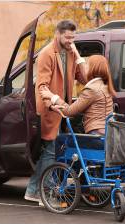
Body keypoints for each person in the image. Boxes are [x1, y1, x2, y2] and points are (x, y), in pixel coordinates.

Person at [24, 20, 87, 205]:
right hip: (51, 110)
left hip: (64, 111)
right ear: (58, 34)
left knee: (51, 153)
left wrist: (78, 56)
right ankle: (43, 192)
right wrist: (54, 100)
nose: (70, 41)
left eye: (73, 38)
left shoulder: (70, 52)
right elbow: (41, 87)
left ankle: (33, 190)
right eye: (68, 37)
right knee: (51, 151)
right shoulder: (46, 54)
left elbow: (84, 78)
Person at [40, 55, 116, 135]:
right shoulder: (103, 85)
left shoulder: (92, 90)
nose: (85, 67)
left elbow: (69, 111)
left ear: (93, 68)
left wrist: (52, 96)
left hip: (97, 134)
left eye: (87, 65)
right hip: (107, 133)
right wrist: (76, 53)